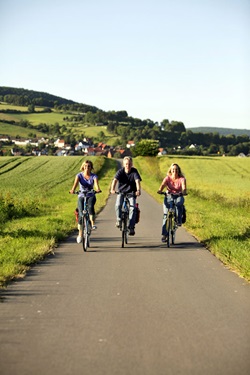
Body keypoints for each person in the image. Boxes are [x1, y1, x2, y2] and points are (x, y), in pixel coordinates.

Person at [70, 160, 101, 243]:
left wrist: (97, 189)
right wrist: (73, 190)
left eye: (89, 166)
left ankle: (93, 224)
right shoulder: (79, 175)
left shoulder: (94, 176)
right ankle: (80, 234)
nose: (87, 168)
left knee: (90, 206)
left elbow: (96, 184)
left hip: (90, 195)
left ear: (91, 168)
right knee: (80, 214)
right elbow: (75, 184)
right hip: (81, 195)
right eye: (85, 166)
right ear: (83, 167)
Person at [110, 156, 142, 236]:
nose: (128, 165)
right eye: (126, 164)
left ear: (132, 164)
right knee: (118, 205)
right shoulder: (120, 171)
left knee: (133, 208)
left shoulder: (134, 171)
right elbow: (115, 180)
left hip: (131, 193)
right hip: (121, 192)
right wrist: (112, 189)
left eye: (129, 164)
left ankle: (131, 227)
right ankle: (119, 220)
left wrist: (138, 190)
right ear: (124, 164)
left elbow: (137, 181)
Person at [157, 163, 187, 243]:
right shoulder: (167, 178)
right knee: (165, 215)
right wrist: (160, 190)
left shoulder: (182, 178)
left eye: (176, 169)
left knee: (179, 203)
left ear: (178, 170)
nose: (174, 171)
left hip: (178, 195)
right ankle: (164, 234)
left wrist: (184, 192)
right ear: (170, 170)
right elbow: (163, 184)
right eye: (173, 169)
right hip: (169, 196)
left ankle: (179, 220)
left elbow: (184, 187)